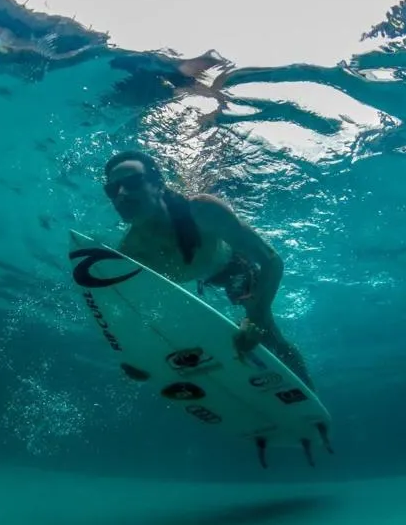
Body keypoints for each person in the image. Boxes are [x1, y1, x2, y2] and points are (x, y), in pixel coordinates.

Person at [102, 150, 314, 390]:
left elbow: (271, 260)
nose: (120, 194)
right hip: (204, 278)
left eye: (132, 182)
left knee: (267, 332)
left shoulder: (201, 211)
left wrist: (255, 316)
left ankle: (309, 392)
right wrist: (139, 353)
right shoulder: (132, 253)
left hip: (235, 268)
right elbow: (136, 311)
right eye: (111, 190)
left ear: (159, 184)